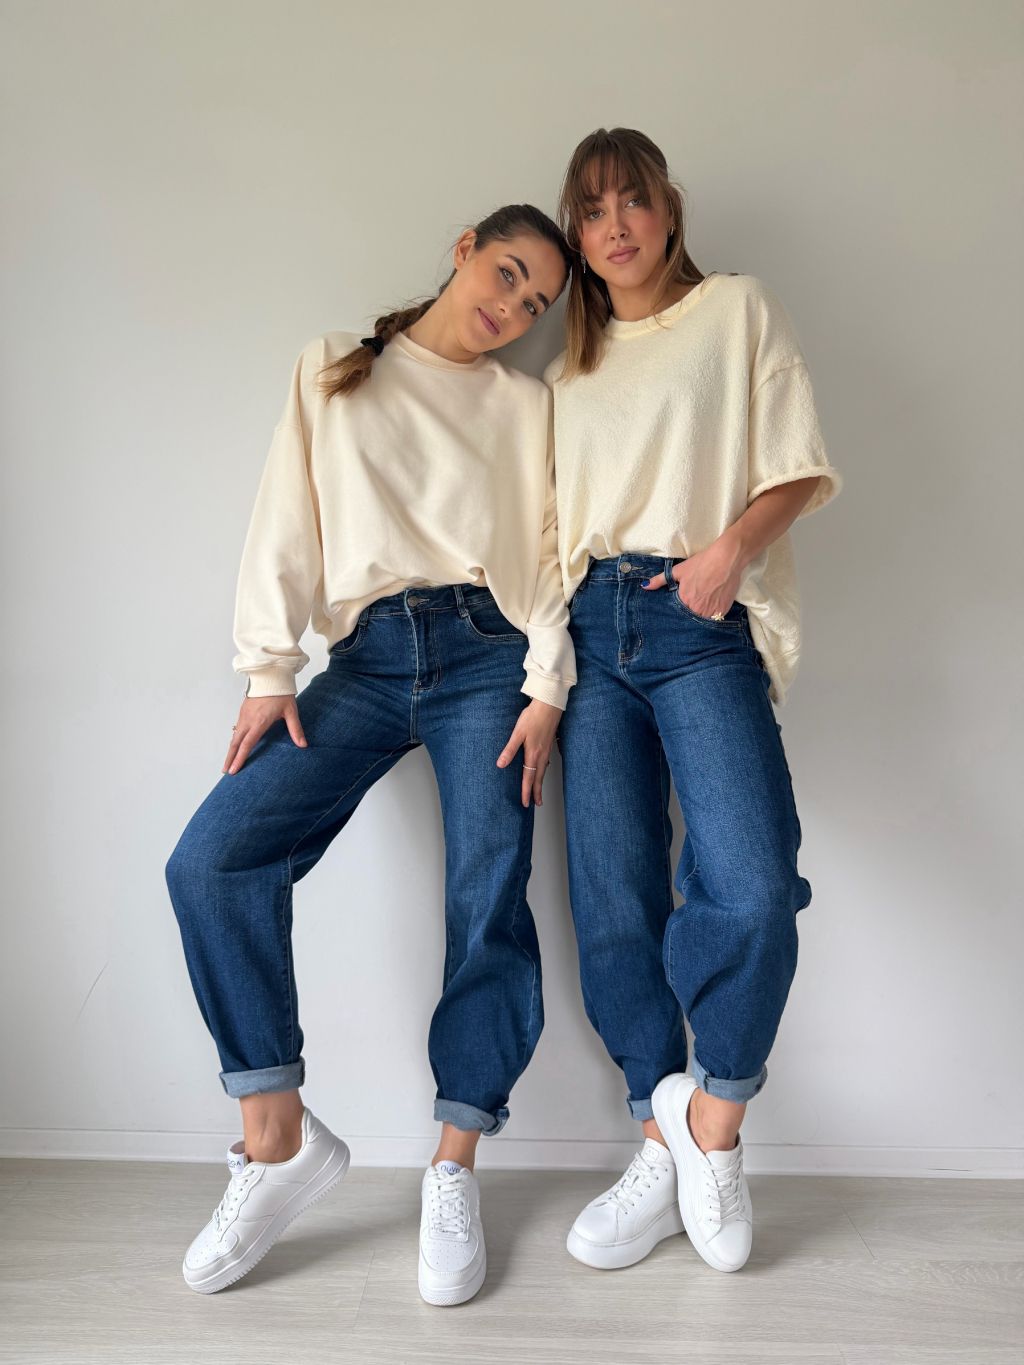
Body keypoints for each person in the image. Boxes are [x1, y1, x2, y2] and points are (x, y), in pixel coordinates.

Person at [165, 204, 575, 1306]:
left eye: (536, 302)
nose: (513, 309)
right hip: (366, 658)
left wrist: (547, 684)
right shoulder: (335, 367)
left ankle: (454, 1164)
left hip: (491, 659)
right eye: (506, 274)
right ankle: (277, 1137)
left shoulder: (525, 404)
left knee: (486, 896)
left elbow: (548, 554)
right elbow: (284, 521)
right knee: (212, 862)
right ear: (463, 248)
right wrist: (268, 670)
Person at [545, 128, 843, 1275]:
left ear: (669, 209)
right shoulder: (565, 372)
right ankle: (653, 1134)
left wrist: (725, 556)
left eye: (632, 199)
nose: (615, 224)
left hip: (696, 616)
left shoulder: (734, 311)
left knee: (751, 880)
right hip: (586, 631)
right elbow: (542, 535)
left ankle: (709, 1125)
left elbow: (797, 463)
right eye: (591, 209)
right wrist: (543, 670)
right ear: (576, 236)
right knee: (612, 896)